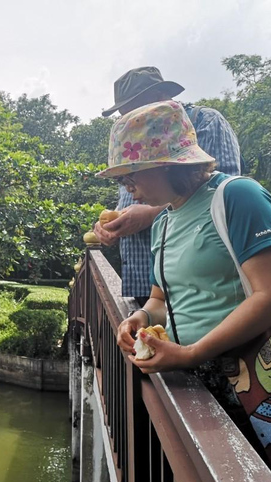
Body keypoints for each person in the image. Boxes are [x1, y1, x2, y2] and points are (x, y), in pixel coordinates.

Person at [97, 100, 271, 404]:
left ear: (167, 164)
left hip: (253, 381)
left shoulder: (238, 196)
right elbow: (162, 299)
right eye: (121, 179)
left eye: (131, 174)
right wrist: (142, 315)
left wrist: (191, 353)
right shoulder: (163, 220)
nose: (127, 187)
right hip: (194, 384)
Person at [94, 67, 241, 307]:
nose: (130, 122)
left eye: (135, 110)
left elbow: (223, 192)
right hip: (147, 282)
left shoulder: (206, 122)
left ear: (162, 96)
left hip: (200, 287)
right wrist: (112, 224)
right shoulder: (133, 144)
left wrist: (151, 214)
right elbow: (132, 200)